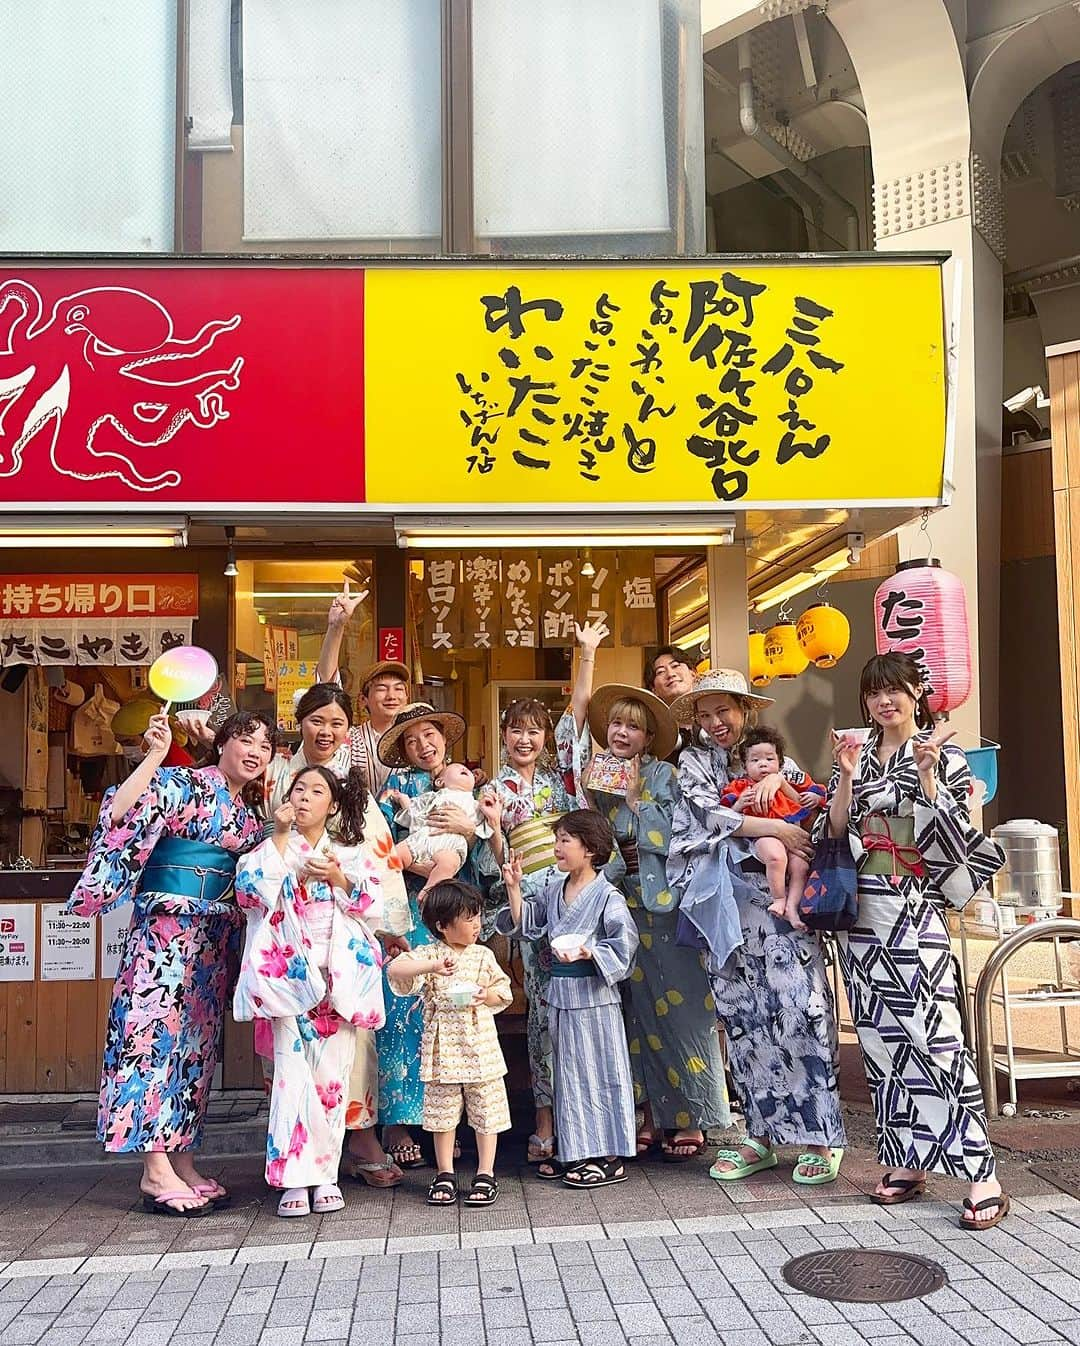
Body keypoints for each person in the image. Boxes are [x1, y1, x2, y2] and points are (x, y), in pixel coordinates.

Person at [822, 652, 1008, 1228]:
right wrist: (848, 779)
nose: (885, 702)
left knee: (938, 1041)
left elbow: (957, 840)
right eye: (875, 693)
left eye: (895, 690)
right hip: (862, 919)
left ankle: (983, 1174)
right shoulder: (856, 756)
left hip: (913, 911)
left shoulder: (942, 753)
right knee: (882, 1045)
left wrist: (928, 778)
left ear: (916, 693)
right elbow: (831, 832)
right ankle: (908, 1159)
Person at [68, 710, 276, 1216]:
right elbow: (120, 814)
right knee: (150, 1038)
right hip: (166, 932)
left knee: (194, 1050)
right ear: (221, 743)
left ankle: (182, 1158)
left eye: (265, 746)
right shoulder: (180, 782)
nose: (254, 751)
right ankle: (153, 1167)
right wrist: (155, 755)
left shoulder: (247, 807)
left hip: (212, 940)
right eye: (244, 739)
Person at [667, 669, 846, 1186]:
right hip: (728, 906)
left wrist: (786, 808)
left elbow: (810, 805)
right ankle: (760, 1136)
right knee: (743, 1016)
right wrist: (777, 827)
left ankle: (821, 1136)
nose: (714, 722)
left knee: (801, 1008)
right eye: (704, 714)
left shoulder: (776, 756)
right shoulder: (694, 763)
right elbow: (705, 820)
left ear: (744, 710)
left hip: (781, 905)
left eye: (723, 710)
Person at [263, 681, 409, 1188]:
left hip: (345, 935)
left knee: (355, 1041)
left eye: (337, 722)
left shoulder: (355, 787)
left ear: (350, 729)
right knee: (288, 1050)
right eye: (316, 719)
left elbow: (381, 858)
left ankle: (358, 1137)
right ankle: (298, 1154)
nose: (326, 731)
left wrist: (388, 926)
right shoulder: (278, 772)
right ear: (299, 720)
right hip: (287, 930)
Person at [581, 682, 730, 1161]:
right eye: (616, 725)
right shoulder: (599, 772)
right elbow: (597, 835)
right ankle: (646, 1114)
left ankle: (692, 1116)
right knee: (633, 1012)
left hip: (665, 904)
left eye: (633, 727)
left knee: (682, 1011)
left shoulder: (667, 773)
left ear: (648, 738)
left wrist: (633, 804)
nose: (622, 733)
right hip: (620, 903)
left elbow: (681, 832)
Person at [235, 766, 387, 1218]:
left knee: (332, 1081)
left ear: (333, 804)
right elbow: (248, 892)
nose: (303, 798)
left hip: (335, 975)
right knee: (290, 1078)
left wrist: (340, 879)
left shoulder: (350, 854)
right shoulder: (272, 846)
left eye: (316, 791)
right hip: (291, 976)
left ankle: (324, 1174)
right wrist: (280, 836)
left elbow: (374, 906)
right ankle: (292, 1179)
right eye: (298, 789)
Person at [478, 620, 604, 1165]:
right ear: (503, 735)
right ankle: (548, 1120)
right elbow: (492, 857)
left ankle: (585, 1116)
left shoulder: (561, 779)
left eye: (535, 730)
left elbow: (578, 711)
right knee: (546, 1009)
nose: (526, 739)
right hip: (528, 900)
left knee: (587, 1003)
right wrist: (497, 828)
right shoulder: (491, 789)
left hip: (574, 892)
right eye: (516, 730)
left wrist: (587, 653)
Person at [375, 701, 488, 1169]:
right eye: (411, 739)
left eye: (430, 734)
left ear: (445, 736)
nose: (424, 745)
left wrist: (472, 829)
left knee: (454, 1010)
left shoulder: (470, 784)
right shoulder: (395, 788)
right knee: (404, 1010)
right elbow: (380, 848)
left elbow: (489, 843)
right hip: (408, 908)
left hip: (456, 910)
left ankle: (449, 1122)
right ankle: (398, 1122)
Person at [500, 811, 638, 1188]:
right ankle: (577, 1150)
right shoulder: (553, 889)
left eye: (565, 840)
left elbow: (623, 943)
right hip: (561, 994)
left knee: (601, 1071)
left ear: (590, 849)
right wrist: (513, 888)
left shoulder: (607, 895)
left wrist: (589, 952)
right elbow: (527, 924)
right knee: (571, 1075)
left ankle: (609, 1155)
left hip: (595, 996)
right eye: (557, 839)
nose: (557, 848)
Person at [387, 881, 512, 1207]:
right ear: (442, 925)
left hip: (481, 1047)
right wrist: (431, 967)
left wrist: (487, 995)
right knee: (442, 1114)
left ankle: (485, 1172)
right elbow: (396, 969)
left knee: (487, 1110)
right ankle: (445, 1172)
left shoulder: (483, 955)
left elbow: (503, 992)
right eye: (468, 918)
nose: (476, 925)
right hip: (442, 1050)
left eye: (478, 917)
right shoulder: (431, 955)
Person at [719, 725, 824, 930]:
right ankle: (779, 898)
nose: (763, 765)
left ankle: (793, 907)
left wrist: (815, 797)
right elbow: (725, 813)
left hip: (792, 832)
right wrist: (740, 803)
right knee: (776, 857)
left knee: (801, 867)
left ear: (780, 761)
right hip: (765, 835)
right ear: (745, 765)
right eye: (755, 760)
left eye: (769, 759)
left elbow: (819, 793)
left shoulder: (790, 779)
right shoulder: (740, 786)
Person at [314, 581, 410, 796]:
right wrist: (336, 627)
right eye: (382, 688)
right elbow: (326, 687)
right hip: (359, 826)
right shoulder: (350, 738)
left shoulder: (415, 738)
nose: (391, 695)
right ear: (363, 700)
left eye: (398, 688)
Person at [386, 762, 490, 899]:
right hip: (426, 836)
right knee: (394, 856)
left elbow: (484, 828)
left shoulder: (476, 805)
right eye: (456, 768)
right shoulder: (433, 796)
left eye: (466, 770)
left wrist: (474, 825)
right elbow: (414, 811)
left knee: (448, 865)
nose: (463, 768)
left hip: (452, 845)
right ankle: (377, 885)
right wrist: (404, 800)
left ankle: (427, 895)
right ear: (441, 782)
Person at [644, 645, 699, 763]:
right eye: (660, 672)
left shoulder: (714, 723)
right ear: (653, 689)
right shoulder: (653, 735)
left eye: (675, 666)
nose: (670, 674)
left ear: (693, 674)